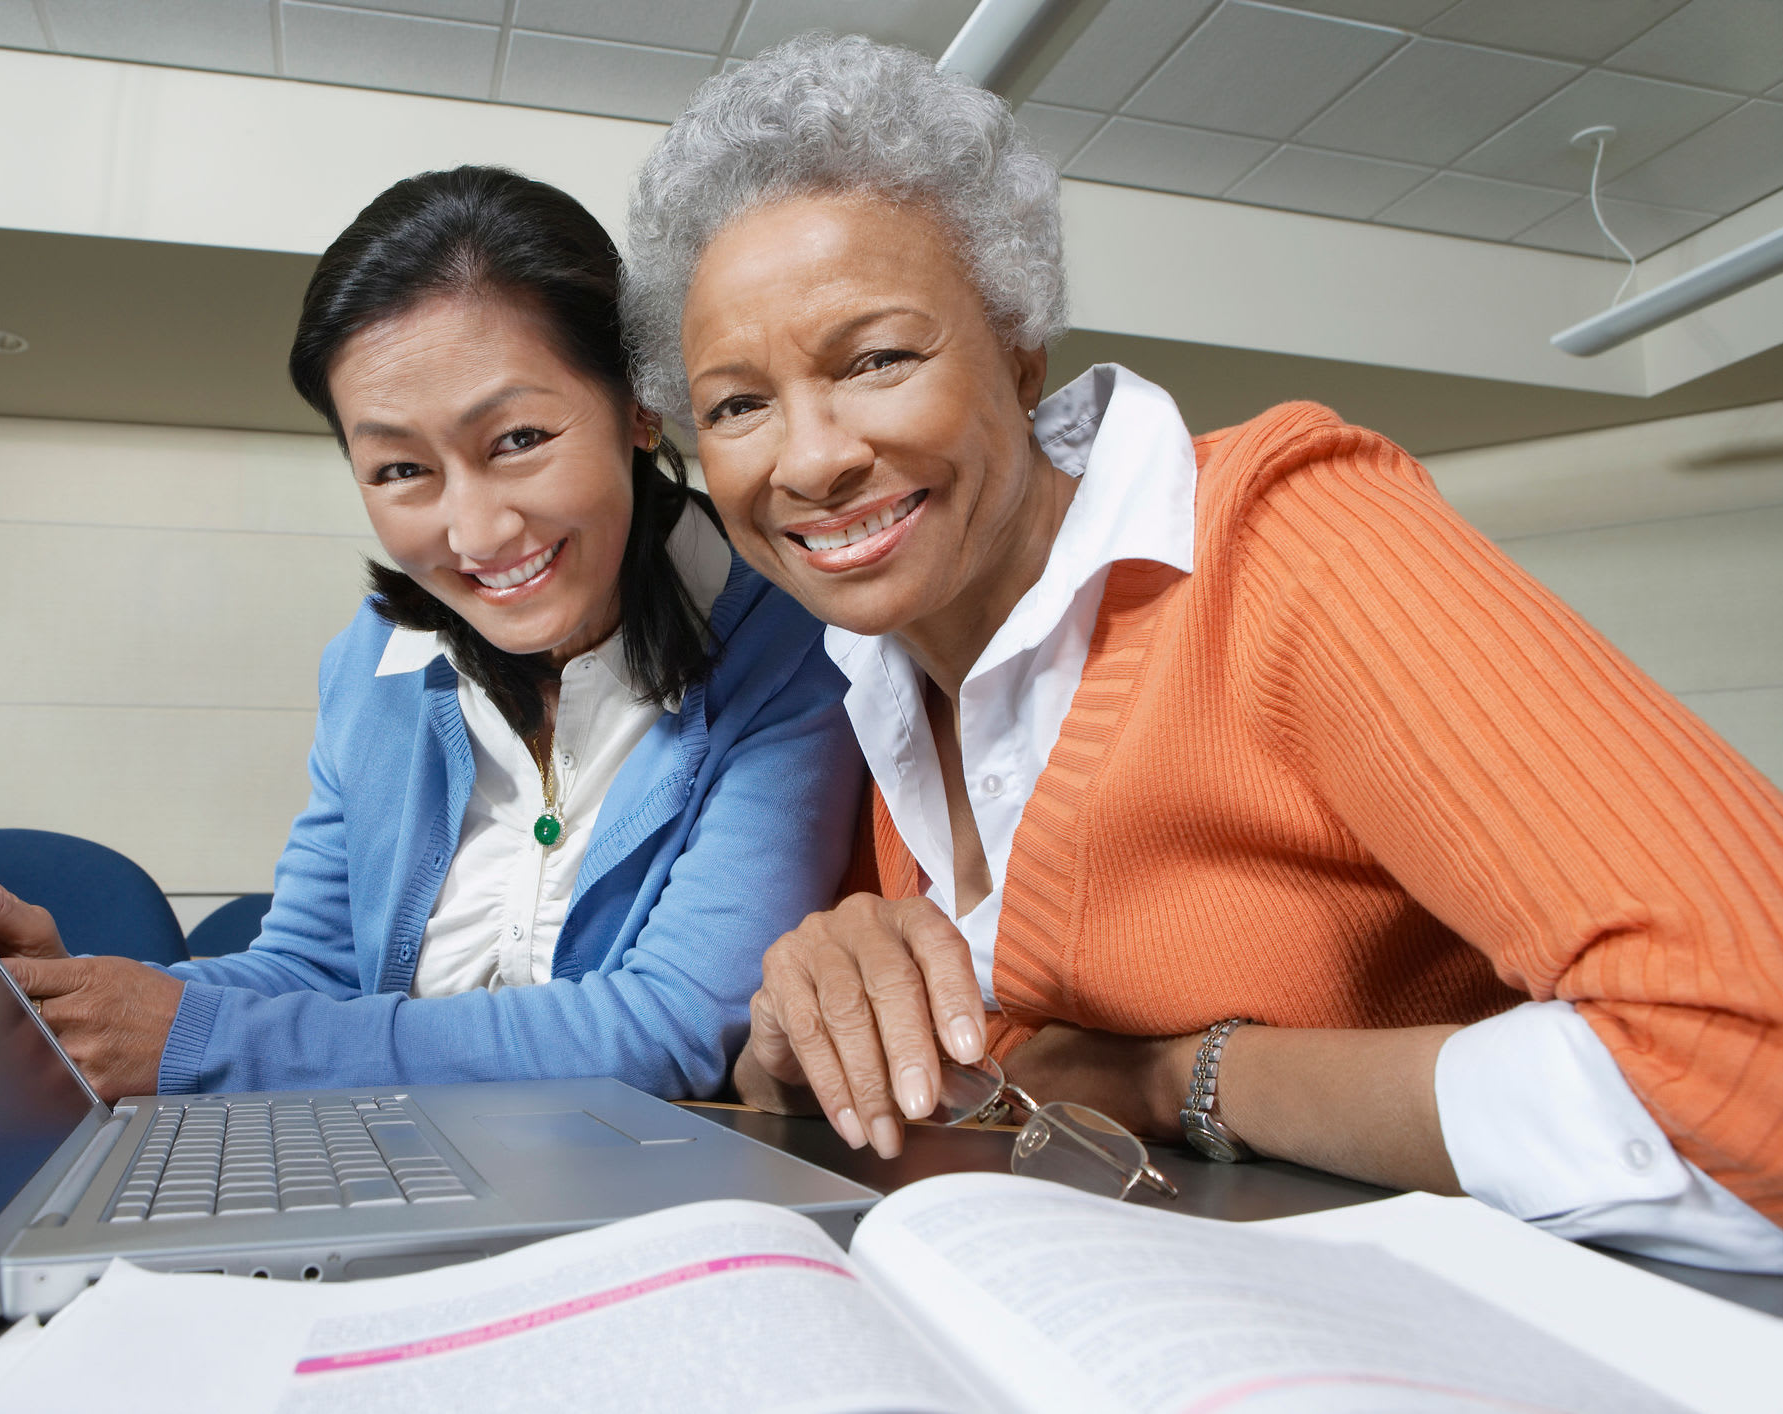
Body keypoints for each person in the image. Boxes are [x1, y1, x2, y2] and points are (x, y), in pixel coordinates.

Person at [620, 35, 1783, 1270]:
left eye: (877, 359)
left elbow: (1746, 1061)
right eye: (739, 403)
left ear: (1020, 354)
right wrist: (798, 1038)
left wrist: (1180, 1076)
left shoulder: (1294, 542)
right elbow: (991, 1081)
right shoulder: (871, 674)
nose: (806, 460)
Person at [0, 165, 862, 1104]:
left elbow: (673, 1023)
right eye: (398, 470)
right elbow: (308, 968)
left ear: (637, 403)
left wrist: (198, 1035)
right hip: (400, 1155)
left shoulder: (795, 639)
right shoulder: (373, 659)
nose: (475, 533)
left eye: (517, 439)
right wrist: (81, 1007)